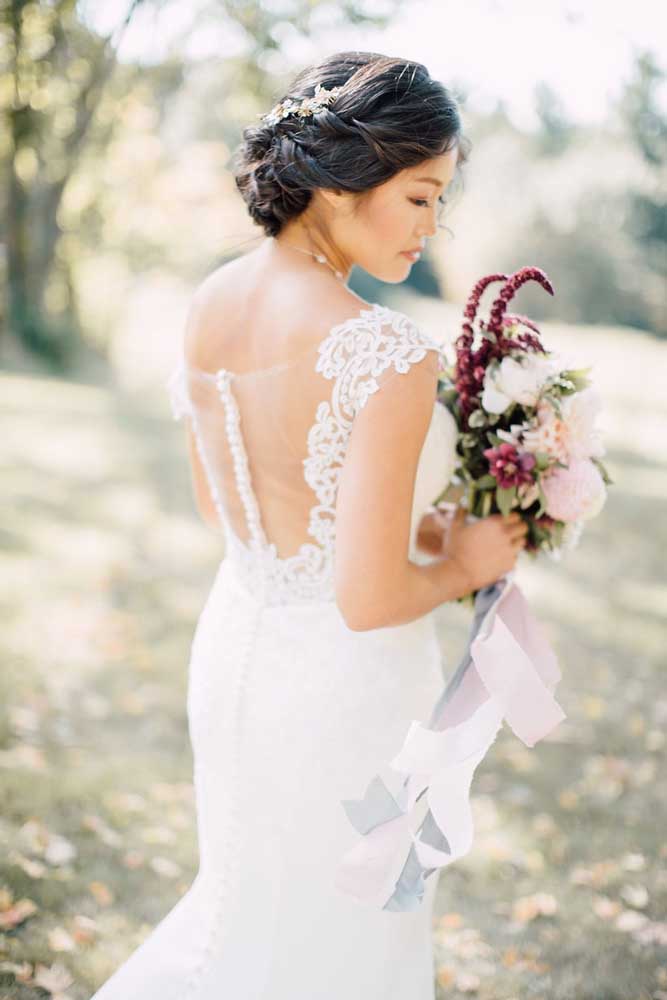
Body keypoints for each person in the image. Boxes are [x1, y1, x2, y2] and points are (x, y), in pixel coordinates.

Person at [90, 50, 527, 1000]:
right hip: (345, 693)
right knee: (340, 948)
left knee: (248, 913)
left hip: (236, 650)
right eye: (418, 197)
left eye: (440, 201)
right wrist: (471, 559)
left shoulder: (209, 301)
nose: (433, 226)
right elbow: (367, 600)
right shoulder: (383, 352)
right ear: (342, 180)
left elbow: (226, 511)